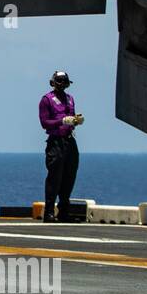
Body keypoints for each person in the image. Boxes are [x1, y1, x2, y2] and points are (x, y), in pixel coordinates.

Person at [39, 71, 83, 222]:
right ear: (53, 82)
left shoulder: (70, 99)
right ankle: (49, 212)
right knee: (54, 177)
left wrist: (76, 121)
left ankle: (64, 212)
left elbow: (72, 118)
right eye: (59, 81)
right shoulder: (46, 100)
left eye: (64, 81)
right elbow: (44, 123)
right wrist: (62, 121)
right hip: (56, 142)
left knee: (69, 176)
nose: (62, 83)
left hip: (69, 142)